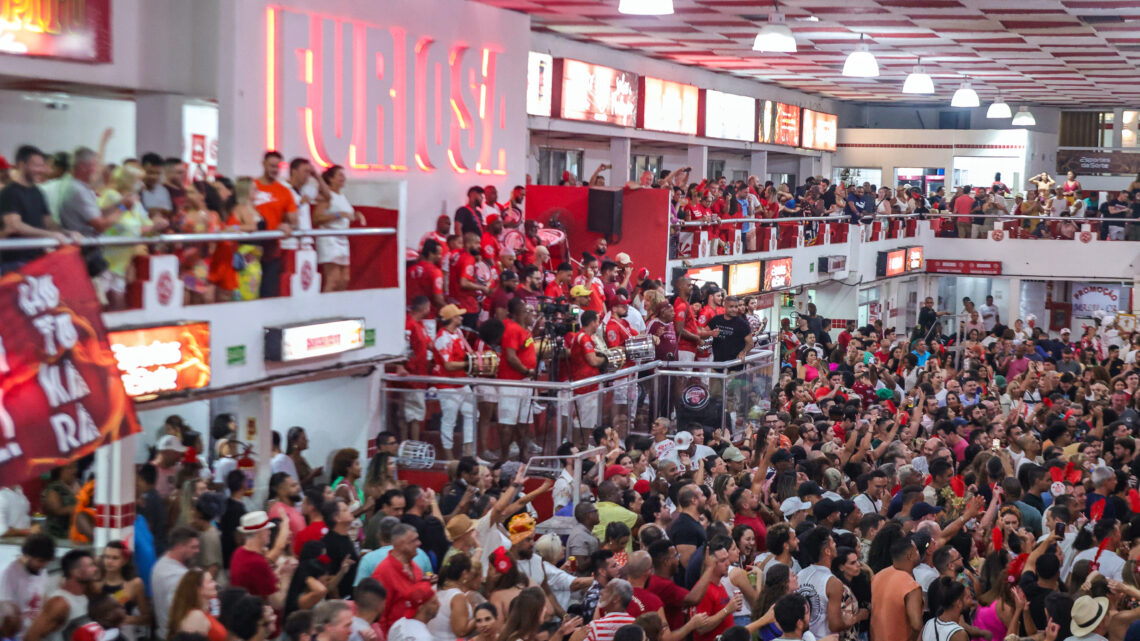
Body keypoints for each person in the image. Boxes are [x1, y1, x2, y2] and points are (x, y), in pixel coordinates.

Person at [0, 145, 72, 273]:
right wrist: (51, 235)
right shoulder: (9, 192)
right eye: (37, 165)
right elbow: (15, 225)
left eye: (43, 165)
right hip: (14, 263)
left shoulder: (37, 192)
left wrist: (67, 233)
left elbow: (48, 222)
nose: (42, 170)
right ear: (22, 165)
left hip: (37, 260)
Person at [311, 165, 365, 291]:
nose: (343, 178)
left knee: (344, 279)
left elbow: (346, 215)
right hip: (329, 239)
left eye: (343, 175)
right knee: (333, 279)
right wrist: (337, 214)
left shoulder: (341, 196)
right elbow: (316, 218)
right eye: (339, 175)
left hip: (342, 240)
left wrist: (355, 215)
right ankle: (325, 309)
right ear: (330, 179)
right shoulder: (327, 196)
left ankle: (338, 308)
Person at [24, 549, 97, 641]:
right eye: (90, 566)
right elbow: (31, 636)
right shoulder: (60, 603)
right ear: (76, 572)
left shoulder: (84, 596)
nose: (95, 569)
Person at [253, 150, 297, 298]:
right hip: (250, 249)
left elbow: (294, 219)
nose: (274, 170)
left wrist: (285, 224)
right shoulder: (252, 187)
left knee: (268, 292)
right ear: (263, 164)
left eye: (277, 166)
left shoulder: (284, 191)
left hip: (271, 251)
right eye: (271, 166)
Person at [151, 527, 201, 638]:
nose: (197, 551)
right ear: (180, 547)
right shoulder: (178, 576)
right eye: (193, 547)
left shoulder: (161, 563)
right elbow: (178, 611)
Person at [0, 534, 55, 629]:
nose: (43, 565)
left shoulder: (42, 571)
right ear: (26, 556)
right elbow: (6, 613)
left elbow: (43, 599)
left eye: (46, 561)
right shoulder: (10, 574)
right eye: (40, 561)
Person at [167, 569, 225, 641]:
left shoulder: (203, 611)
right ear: (199, 589)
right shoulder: (196, 616)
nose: (216, 584)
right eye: (211, 581)